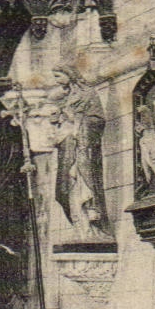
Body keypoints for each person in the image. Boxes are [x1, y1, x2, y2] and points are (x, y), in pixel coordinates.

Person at [49, 65, 109, 238]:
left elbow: (97, 121)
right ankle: (79, 228)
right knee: (63, 191)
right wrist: (57, 120)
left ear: (69, 74)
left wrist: (76, 121)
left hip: (81, 150)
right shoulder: (65, 97)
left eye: (58, 76)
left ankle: (91, 230)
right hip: (67, 150)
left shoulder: (88, 94)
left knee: (83, 188)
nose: (56, 81)